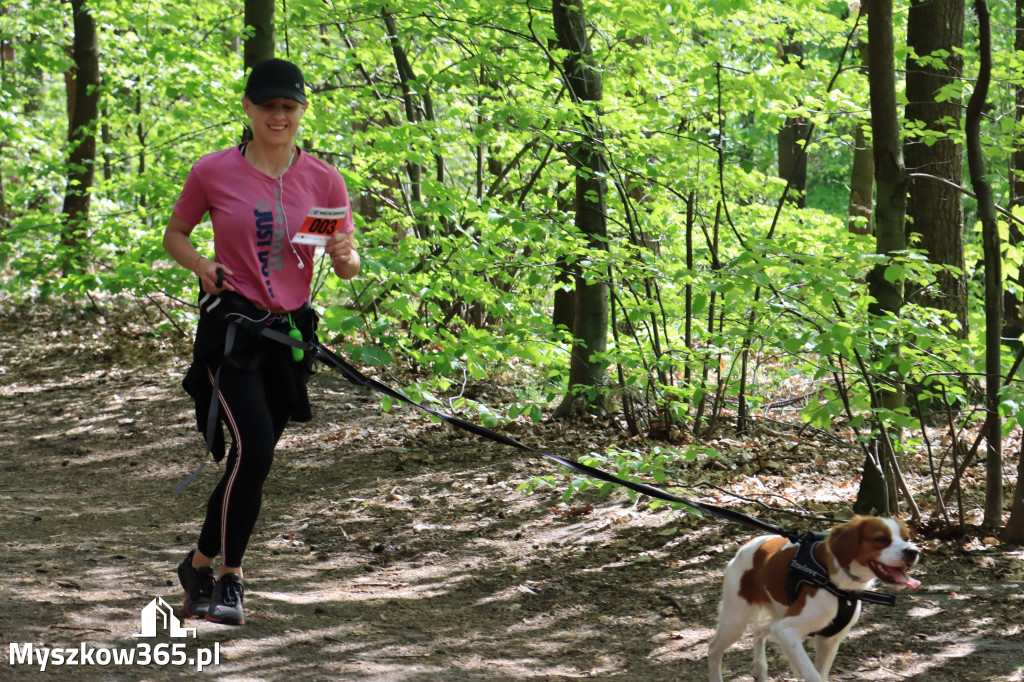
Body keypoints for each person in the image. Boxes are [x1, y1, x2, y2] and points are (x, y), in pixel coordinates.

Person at [162, 57, 359, 626]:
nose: (279, 115)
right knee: (256, 451)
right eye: (268, 105)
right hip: (233, 332)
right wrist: (201, 265)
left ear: (301, 112)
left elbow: (338, 259)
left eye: (288, 107)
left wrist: (346, 255)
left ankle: (198, 563)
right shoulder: (213, 172)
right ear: (248, 109)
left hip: (289, 336)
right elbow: (176, 234)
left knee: (253, 462)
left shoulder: (323, 180)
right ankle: (231, 578)